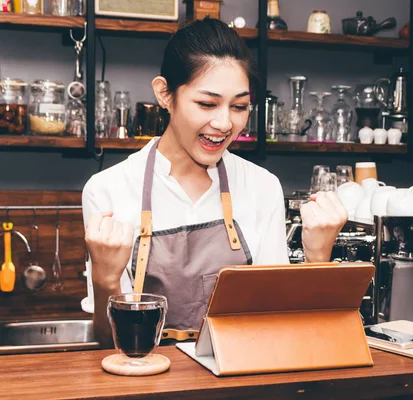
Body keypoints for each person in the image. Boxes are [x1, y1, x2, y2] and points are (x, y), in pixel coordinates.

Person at [82, 18, 348, 348]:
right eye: (207, 104)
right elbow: (109, 342)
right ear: (165, 94)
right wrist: (106, 277)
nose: (224, 123)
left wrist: (318, 257)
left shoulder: (261, 186)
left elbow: (283, 327)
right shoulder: (109, 189)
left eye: (239, 106)